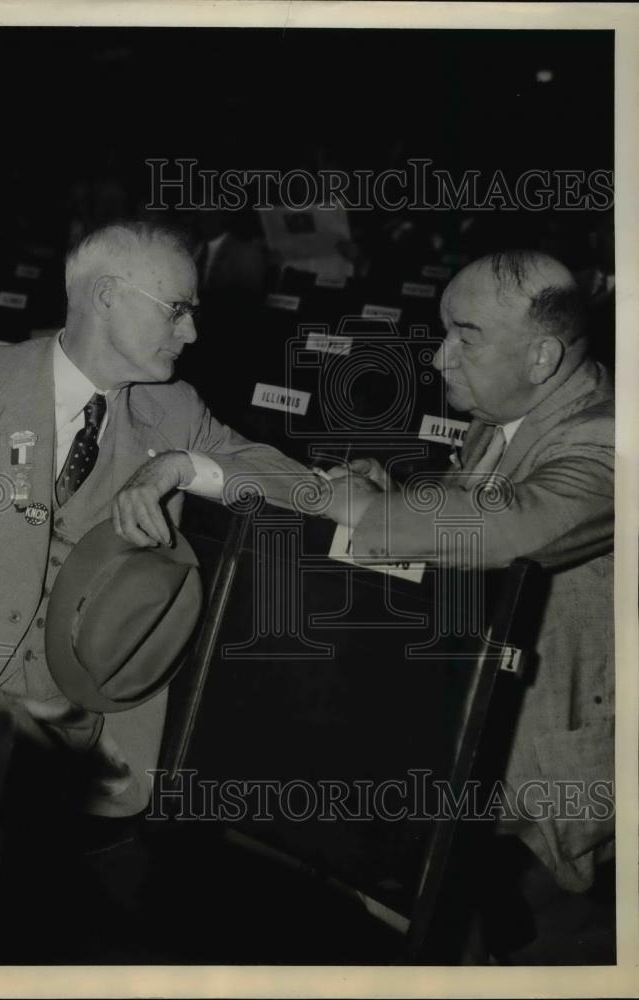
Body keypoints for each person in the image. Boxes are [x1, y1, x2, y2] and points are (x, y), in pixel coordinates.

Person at [0, 220, 320, 819]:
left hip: (85, 755)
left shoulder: (175, 409)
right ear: (107, 295)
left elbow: (303, 491)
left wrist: (179, 465)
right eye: (177, 310)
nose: (191, 332)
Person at [322, 250, 614, 953]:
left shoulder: (613, 438)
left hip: (551, 769)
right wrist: (387, 494)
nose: (440, 359)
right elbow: (467, 507)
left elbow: (513, 526)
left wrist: (369, 513)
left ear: (541, 356)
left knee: (533, 947)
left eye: (465, 336)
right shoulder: (502, 418)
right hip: (474, 738)